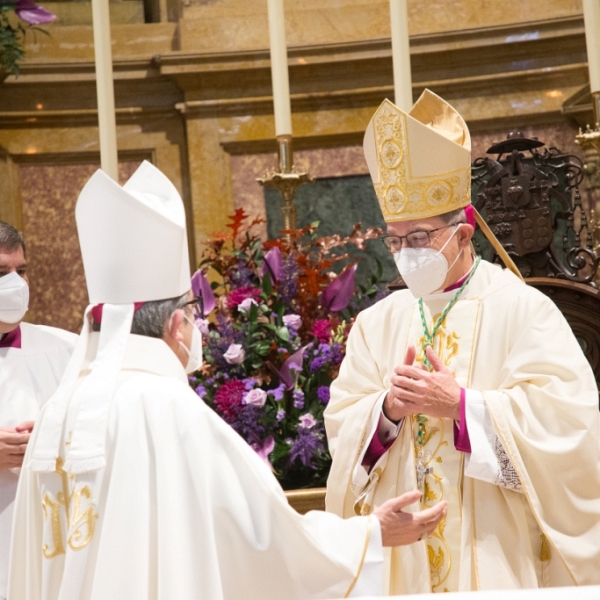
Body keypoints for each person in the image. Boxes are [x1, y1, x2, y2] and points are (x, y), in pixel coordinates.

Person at [8, 161, 446, 600]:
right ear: (176, 325)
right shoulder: (167, 407)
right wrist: (370, 535)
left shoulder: (58, 409)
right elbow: (261, 533)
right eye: (194, 317)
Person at [324, 89, 600, 594]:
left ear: (465, 230)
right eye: (396, 239)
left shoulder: (522, 310)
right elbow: (343, 429)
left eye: (421, 237)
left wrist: (464, 407)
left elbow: (573, 427)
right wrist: (385, 411)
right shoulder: (376, 324)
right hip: (402, 562)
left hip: (495, 553)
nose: (407, 253)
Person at [0, 222, 77, 600]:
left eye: (21, 271)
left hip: (49, 541)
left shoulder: (69, 351)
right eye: (1, 273)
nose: (16, 284)